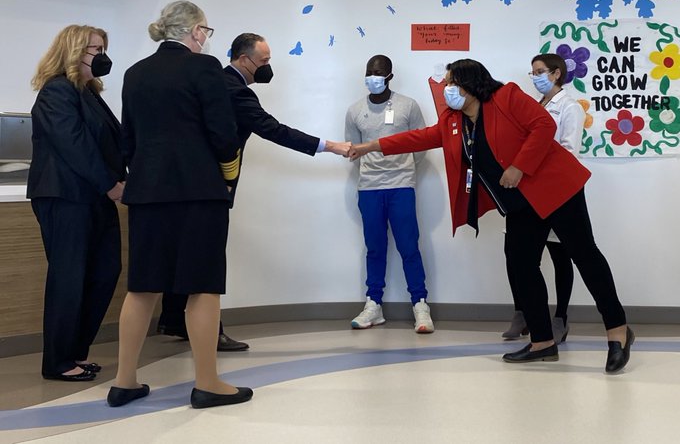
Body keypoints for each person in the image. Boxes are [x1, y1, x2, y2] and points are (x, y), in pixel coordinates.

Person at [349, 58, 633, 373]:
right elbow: (422, 137)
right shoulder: (455, 120)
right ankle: (542, 342)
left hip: (555, 188)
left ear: (471, 83)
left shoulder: (506, 97)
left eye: (451, 83)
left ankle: (617, 332)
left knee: (584, 256)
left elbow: (543, 125)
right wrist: (371, 145)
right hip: (520, 202)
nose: (446, 89)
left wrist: (519, 166)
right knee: (521, 265)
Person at [157, 32, 350, 349]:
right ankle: (208, 332)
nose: (267, 67)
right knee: (206, 260)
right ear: (243, 59)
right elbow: (273, 129)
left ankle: (177, 320)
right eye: (264, 61)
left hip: (180, 184)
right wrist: (329, 146)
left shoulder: (213, 81)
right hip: (210, 186)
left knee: (184, 253)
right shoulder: (233, 90)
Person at [108, 0, 252, 409]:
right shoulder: (205, 69)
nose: (207, 38)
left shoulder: (135, 73)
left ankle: (124, 381)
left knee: (142, 286)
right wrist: (227, 177)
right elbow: (224, 134)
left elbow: (128, 139)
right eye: (207, 30)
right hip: (198, 190)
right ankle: (207, 382)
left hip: (148, 192)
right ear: (196, 32)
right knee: (202, 287)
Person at [27, 25, 124, 381]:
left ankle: (74, 353)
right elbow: (74, 144)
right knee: (70, 278)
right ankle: (58, 362)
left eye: (102, 49)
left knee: (104, 272)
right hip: (66, 197)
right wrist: (111, 184)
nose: (102, 57)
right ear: (72, 52)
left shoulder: (89, 93)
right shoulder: (56, 91)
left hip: (93, 197)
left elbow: (111, 141)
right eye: (94, 50)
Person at [345, 54, 434, 333]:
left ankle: (420, 304)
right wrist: (374, 169)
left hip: (401, 185)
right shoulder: (355, 110)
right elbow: (354, 151)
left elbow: (421, 145)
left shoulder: (408, 106)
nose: (373, 77)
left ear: (389, 77)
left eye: (379, 73)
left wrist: (403, 168)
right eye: (369, 72)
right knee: (375, 247)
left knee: (409, 246)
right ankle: (374, 305)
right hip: (369, 187)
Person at [502, 54, 586, 343]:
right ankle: (522, 312)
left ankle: (560, 316)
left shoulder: (570, 107)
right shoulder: (534, 106)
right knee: (518, 255)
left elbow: (568, 152)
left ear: (556, 74)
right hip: (527, 192)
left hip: (556, 192)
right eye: (533, 72)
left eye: (540, 72)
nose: (535, 76)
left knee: (561, 255)